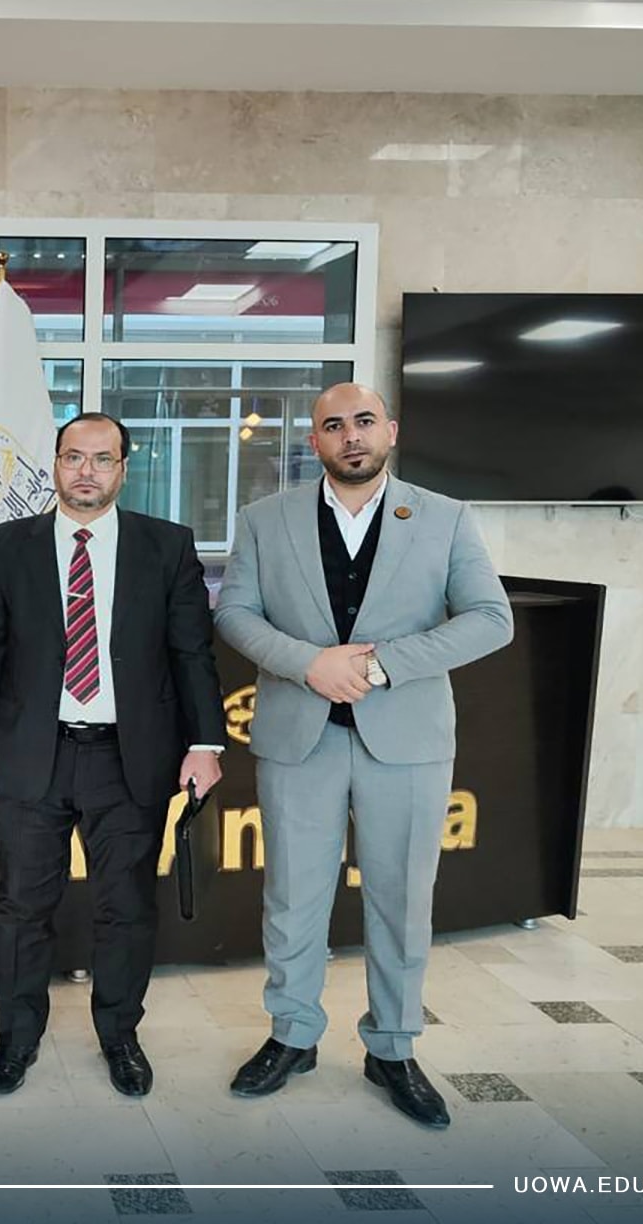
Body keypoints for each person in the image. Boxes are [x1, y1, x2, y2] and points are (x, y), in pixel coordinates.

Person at [214, 383, 512, 1129]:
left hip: (405, 741)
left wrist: (381, 667)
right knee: (293, 897)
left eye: (364, 422)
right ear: (314, 440)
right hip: (299, 738)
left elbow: (490, 618)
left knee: (402, 900)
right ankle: (292, 1035)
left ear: (391, 431)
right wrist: (309, 664)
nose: (351, 435)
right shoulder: (264, 519)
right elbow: (235, 613)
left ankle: (393, 1047)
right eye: (334, 425)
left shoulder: (444, 518)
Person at [0, 412, 225, 1098]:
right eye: (74, 457)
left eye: (103, 459)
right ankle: (16, 1040)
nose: (87, 471)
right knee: (22, 907)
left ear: (123, 469)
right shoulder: (5, 545)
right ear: (55, 463)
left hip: (128, 758)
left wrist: (205, 742)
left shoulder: (165, 545)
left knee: (127, 907)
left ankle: (120, 1036)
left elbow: (192, 652)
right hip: (30, 754)